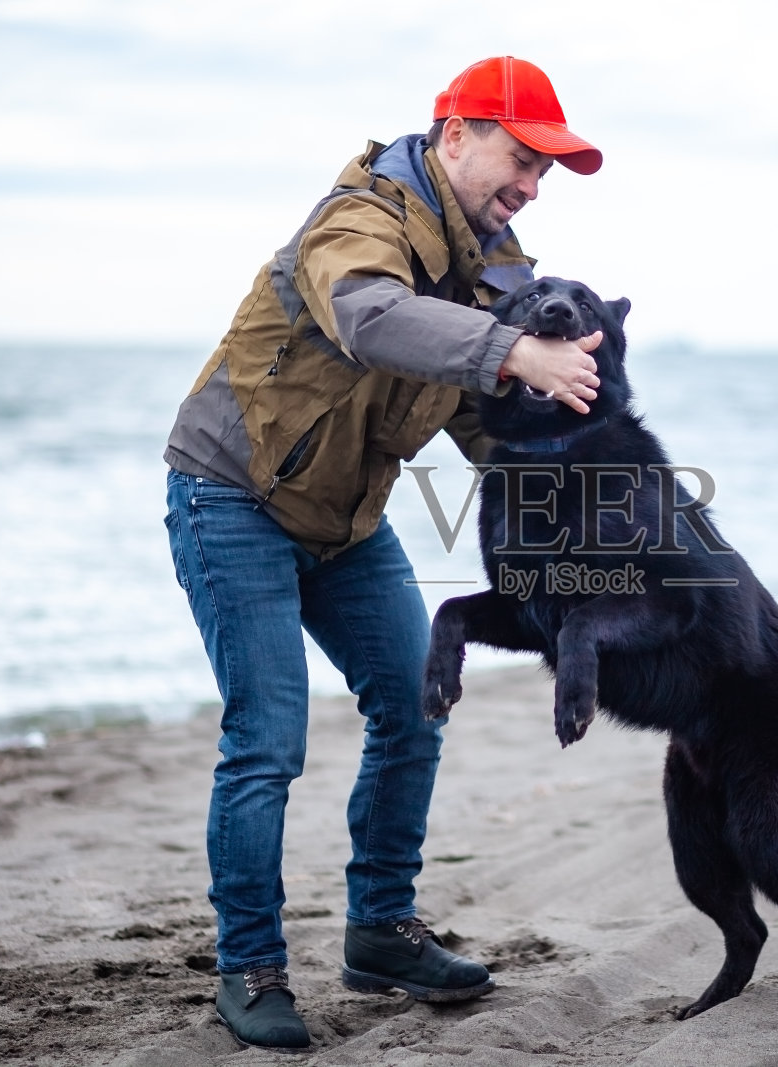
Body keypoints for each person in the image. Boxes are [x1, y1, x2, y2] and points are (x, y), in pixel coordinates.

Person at [161, 56, 604, 1051]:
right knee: (268, 738)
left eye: (547, 172)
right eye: (523, 158)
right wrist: (513, 352)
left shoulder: (500, 265)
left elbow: (489, 420)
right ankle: (252, 965)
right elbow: (370, 313)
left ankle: (380, 931)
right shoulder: (358, 217)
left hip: (345, 520)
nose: (533, 185)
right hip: (231, 495)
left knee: (414, 702)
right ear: (456, 134)